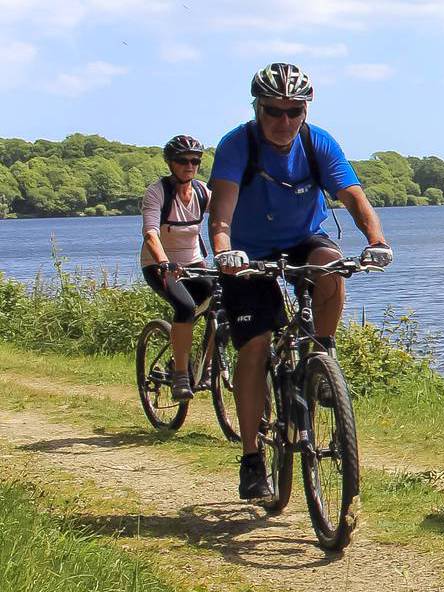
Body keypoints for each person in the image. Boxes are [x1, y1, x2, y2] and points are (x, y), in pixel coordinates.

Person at [207, 62, 394, 501]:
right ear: (257, 107)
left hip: (302, 239)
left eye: (294, 111)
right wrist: (223, 251)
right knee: (254, 347)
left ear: (305, 111)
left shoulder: (317, 142)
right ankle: (253, 458)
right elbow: (221, 212)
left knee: (331, 265)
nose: (284, 122)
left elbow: (353, 196)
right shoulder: (238, 145)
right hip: (247, 250)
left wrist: (377, 240)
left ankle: (322, 354)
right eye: (273, 111)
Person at [138, 135, 216, 402]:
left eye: (195, 161)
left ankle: (207, 367)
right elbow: (150, 233)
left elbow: (225, 222)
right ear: (170, 163)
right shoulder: (158, 192)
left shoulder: (203, 192)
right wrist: (163, 263)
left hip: (194, 264)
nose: (189, 166)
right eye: (182, 161)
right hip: (159, 265)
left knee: (222, 302)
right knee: (184, 307)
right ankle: (181, 374)